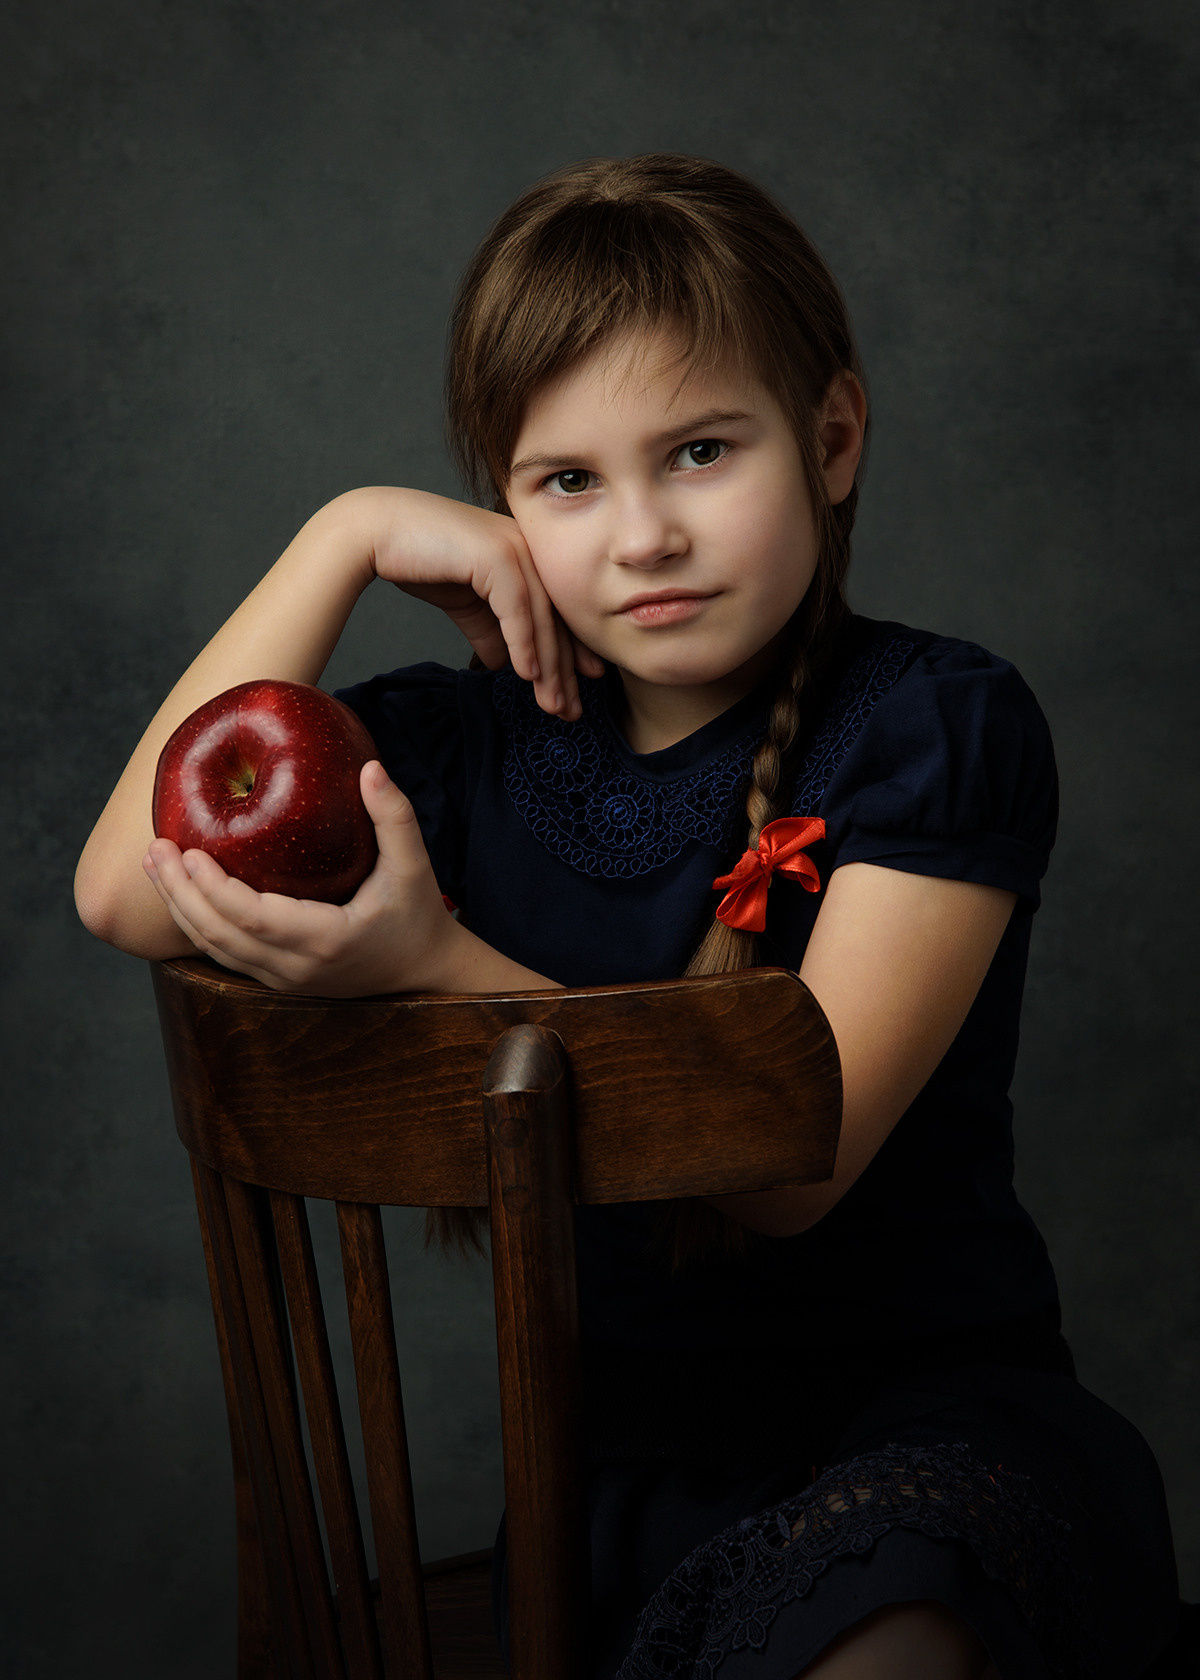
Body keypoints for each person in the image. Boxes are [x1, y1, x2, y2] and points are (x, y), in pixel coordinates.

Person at [75, 154, 1181, 1678]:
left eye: (703, 451)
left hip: (932, 1436)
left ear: (833, 438)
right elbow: (126, 887)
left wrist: (433, 969)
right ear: (503, 505)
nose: (644, 535)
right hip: (624, 1482)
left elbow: (793, 1164)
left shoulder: (933, 723)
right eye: (568, 482)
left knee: (899, 1621)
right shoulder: (467, 750)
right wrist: (336, 539)